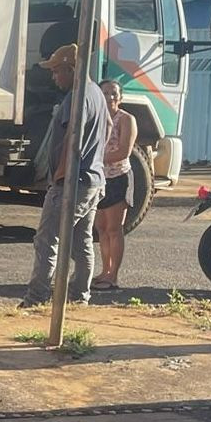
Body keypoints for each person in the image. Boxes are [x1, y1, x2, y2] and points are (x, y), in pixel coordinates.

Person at [21, 43, 110, 307]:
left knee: (47, 240)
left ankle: (35, 300)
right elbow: (106, 127)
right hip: (94, 179)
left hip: (75, 182)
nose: (54, 76)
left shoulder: (78, 96)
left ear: (72, 69)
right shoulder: (96, 93)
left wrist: (60, 178)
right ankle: (79, 298)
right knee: (80, 243)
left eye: (57, 71)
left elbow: (74, 138)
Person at [92, 79, 137, 291]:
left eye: (113, 93)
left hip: (118, 177)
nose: (110, 97)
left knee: (114, 228)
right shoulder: (98, 118)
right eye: (106, 93)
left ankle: (114, 276)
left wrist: (95, 158)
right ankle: (104, 270)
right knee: (101, 227)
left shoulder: (126, 119)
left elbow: (123, 152)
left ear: (120, 97)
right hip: (100, 178)